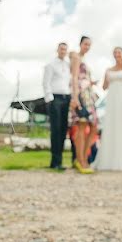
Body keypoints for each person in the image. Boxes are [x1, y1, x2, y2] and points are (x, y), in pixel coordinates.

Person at [69, 36, 99, 174]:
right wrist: (75, 97)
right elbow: (75, 77)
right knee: (81, 125)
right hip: (80, 94)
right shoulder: (76, 57)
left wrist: (91, 83)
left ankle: (83, 157)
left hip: (89, 95)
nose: (87, 47)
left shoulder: (85, 59)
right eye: (85, 44)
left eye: (89, 45)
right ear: (80, 44)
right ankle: (81, 160)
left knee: (93, 126)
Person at [42, 42, 71, 170]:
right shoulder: (50, 65)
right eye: (61, 49)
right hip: (55, 99)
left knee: (63, 130)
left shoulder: (68, 65)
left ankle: (60, 161)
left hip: (66, 98)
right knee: (56, 130)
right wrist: (50, 99)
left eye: (65, 49)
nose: (63, 51)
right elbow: (45, 82)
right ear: (57, 50)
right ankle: (55, 162)